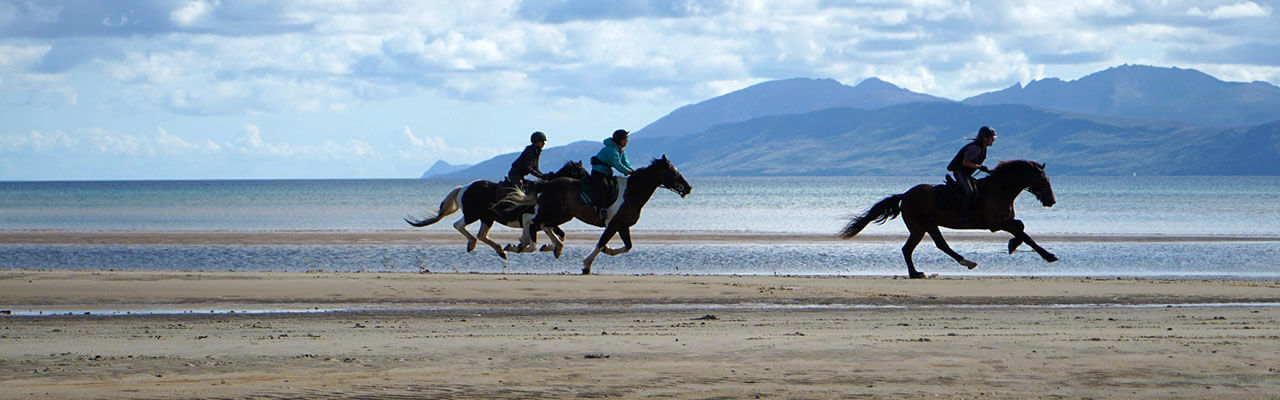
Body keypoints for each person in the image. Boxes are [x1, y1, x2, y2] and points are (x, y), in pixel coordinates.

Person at [946, 126, 996, 222]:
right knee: (969, 191)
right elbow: (965, 162)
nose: (993, 140)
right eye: (992, 138)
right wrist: (979, 167)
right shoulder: (975, 148)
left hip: (966, 174)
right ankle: (961, 215)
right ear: (985, 138)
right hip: (959, 172)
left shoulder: (982, 147)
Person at [589, 129, 635, 221]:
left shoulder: (620, 149)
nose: (627, 141)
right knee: (604, 187)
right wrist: (627, 172)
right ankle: (601, 209)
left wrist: (633, 172)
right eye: (625, 139)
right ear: (620, 140)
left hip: (606, 172)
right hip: (598, 172)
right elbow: (616, 164)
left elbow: (625, 162)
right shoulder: (611, 149)